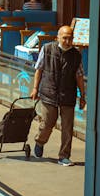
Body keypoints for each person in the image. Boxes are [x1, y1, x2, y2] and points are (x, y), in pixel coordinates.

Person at [31, 25, 86, 166]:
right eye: (65, 38)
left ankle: (64, 156)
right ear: (58, 37)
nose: (68, 41)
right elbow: (39, 69)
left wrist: (83, 95)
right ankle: (40, 141)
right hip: (49, 93)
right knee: (47, 123)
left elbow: (79, 76)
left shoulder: (76, 55)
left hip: (68, 95)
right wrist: (35, 89)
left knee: (67, 127)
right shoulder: (47, 49)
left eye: (70, 38)